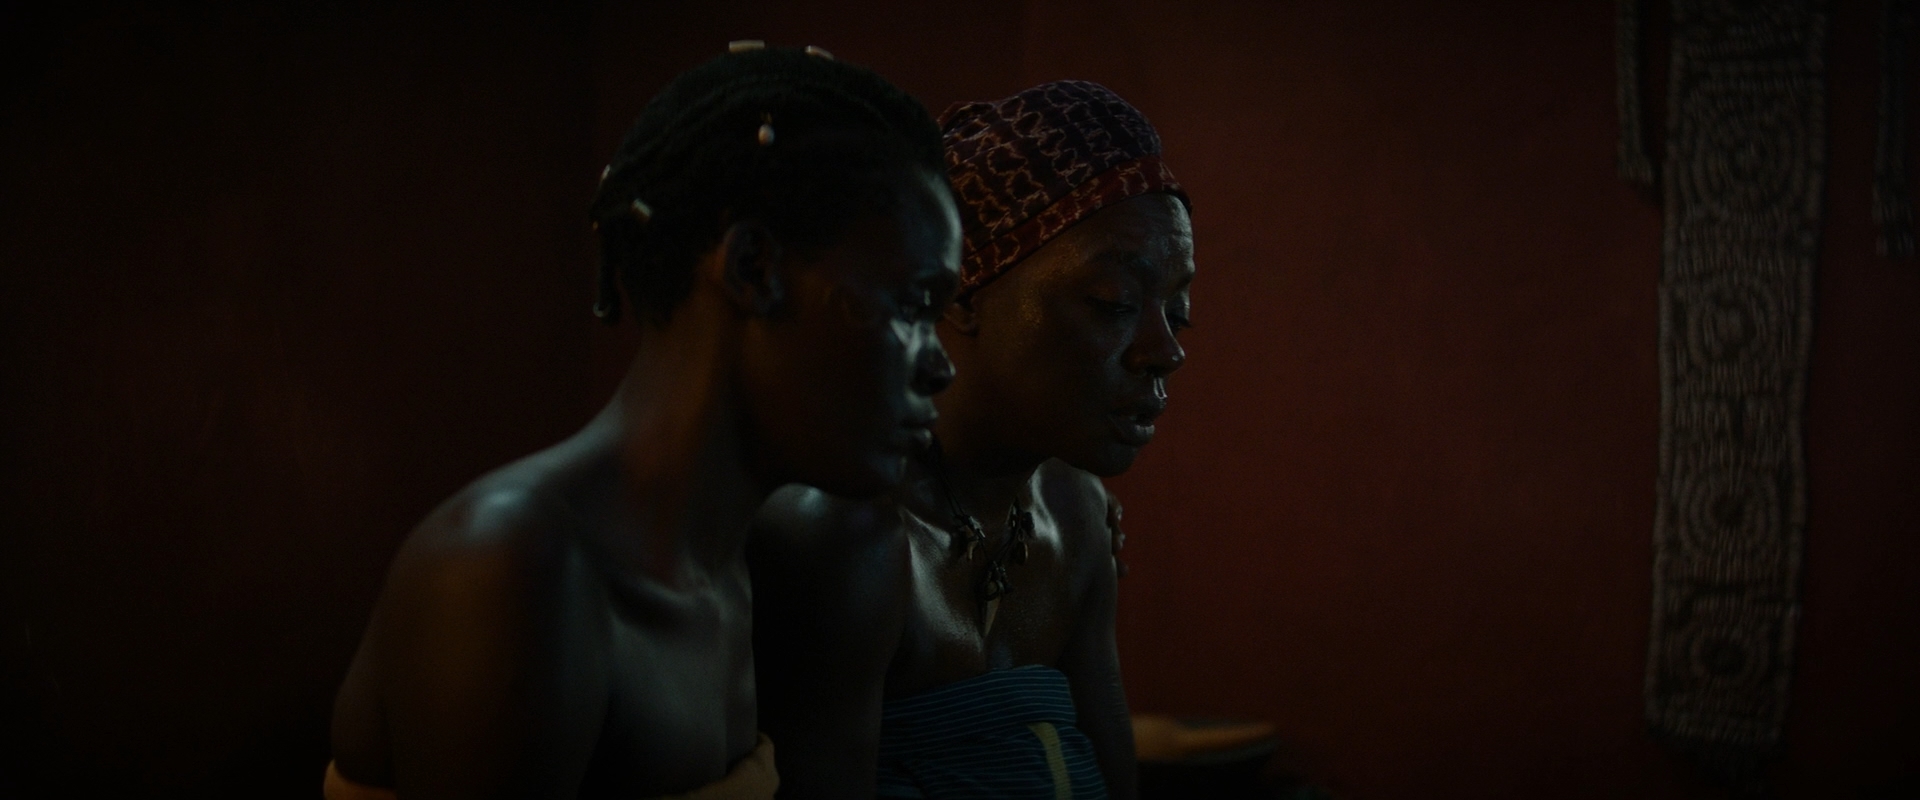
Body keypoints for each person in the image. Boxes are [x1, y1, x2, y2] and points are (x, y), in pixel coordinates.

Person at [325, 43, 961, 799]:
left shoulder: (744, 569)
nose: (940, 366)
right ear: (752, 268)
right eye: (914, 304)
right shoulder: (513, 566)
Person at [750, 81, 1194, 800]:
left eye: (1179, 310)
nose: (1166, 349)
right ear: (958, 291)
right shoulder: (843, 537)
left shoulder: (1076, 518)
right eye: (1113, 302)